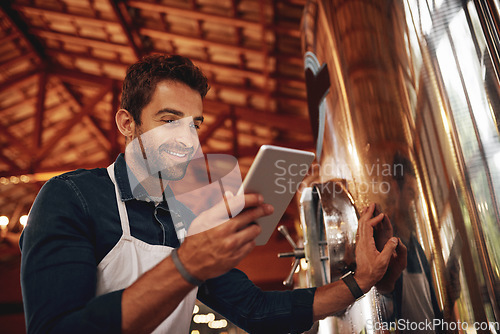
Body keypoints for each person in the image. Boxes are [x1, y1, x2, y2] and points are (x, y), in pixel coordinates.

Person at [20, 54, 405, 333]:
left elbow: (255, 311)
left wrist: (361, 280)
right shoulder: (71, 198)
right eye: (169, 120)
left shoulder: (189, 216)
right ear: (127, 123)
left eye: (195, 125)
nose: (186, 139)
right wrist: (186, 266)